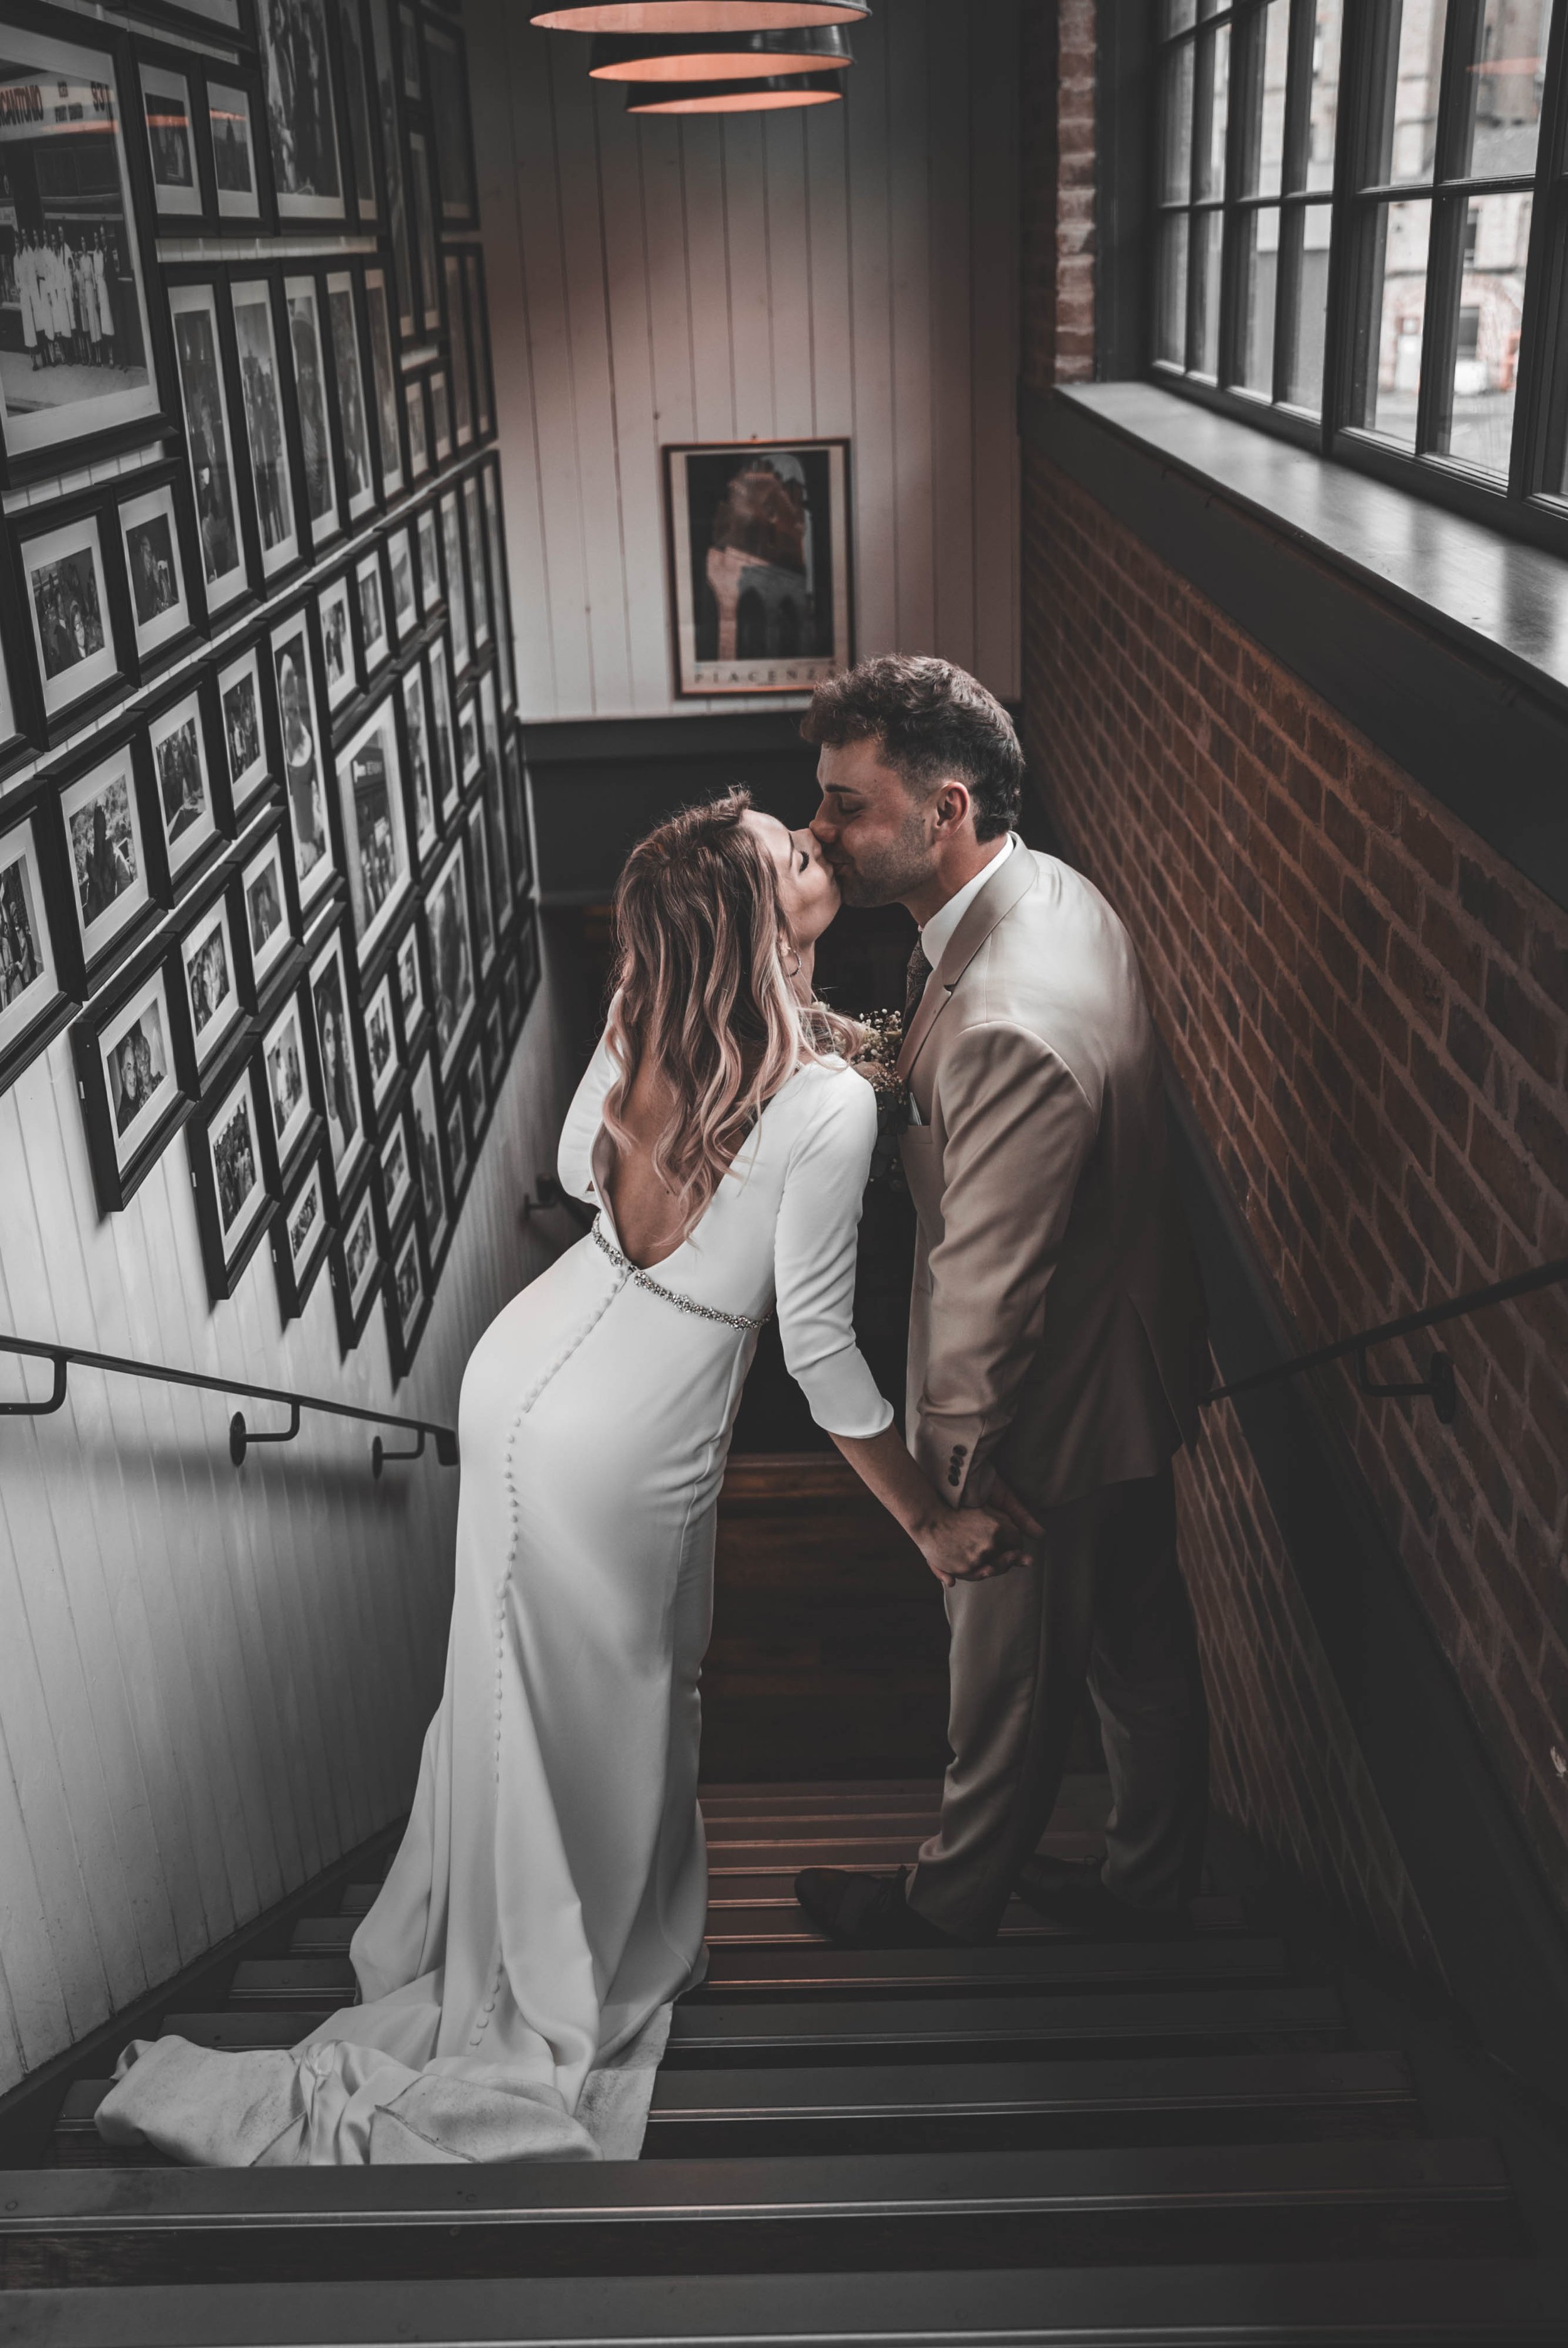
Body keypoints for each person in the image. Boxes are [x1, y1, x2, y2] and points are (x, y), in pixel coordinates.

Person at [94, 786, 1025, 2167]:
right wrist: (925, 1521)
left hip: (529, 1362)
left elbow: (570, 1167)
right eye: (792, 852)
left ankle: (603, 1929)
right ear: (757, 918)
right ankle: (577, 1960)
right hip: (624, 1425)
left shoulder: (654, 1026)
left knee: (558, 1683)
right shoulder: (822, 1105)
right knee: (616, 1691)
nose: (815, 846)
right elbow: (822, 1355)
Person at [793, 655, 1212, 1951]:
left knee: (1005, 1677)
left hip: (1041, 1409)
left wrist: (947, 1495)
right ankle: (1149, 1881)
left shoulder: (1010, 1019)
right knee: (1135, 1641)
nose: (822, 832)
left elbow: (984, 1285)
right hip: (1127, 1352)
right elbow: (937, 1059)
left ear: (946, 809)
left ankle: (948, 1902)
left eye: (847, 806)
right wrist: (828, 1038)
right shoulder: (1039, 895)